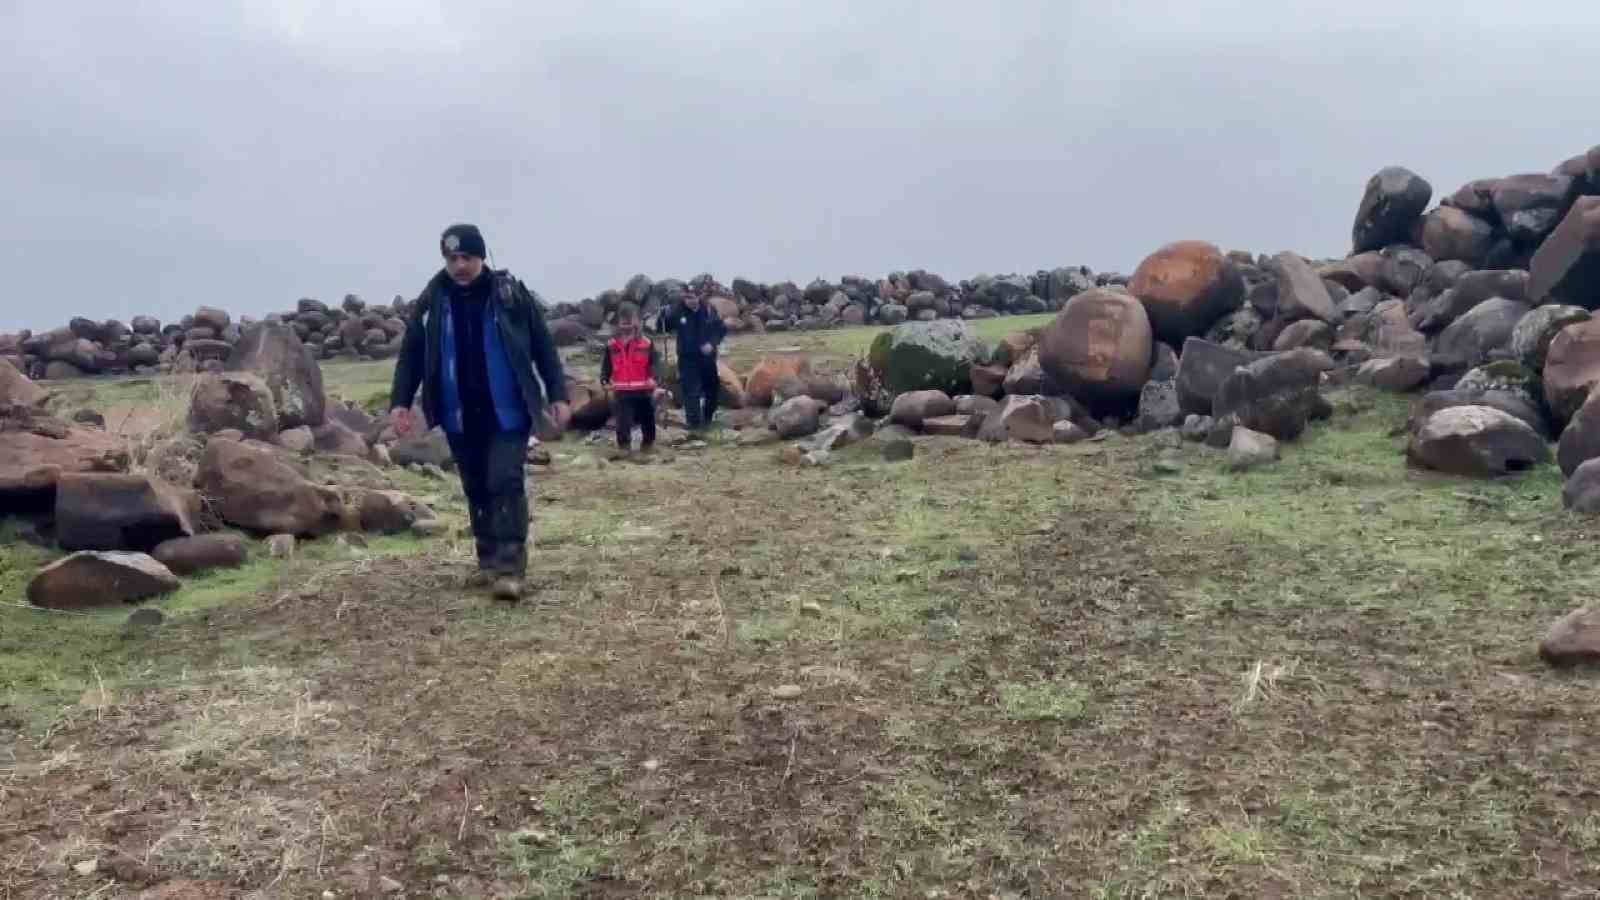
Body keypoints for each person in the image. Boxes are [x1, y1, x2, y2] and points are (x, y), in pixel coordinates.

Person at [389, 223, 571, 601]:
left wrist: (558, 394)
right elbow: (411, 355)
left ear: (481, 257)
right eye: (451, 258)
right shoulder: (432, 300)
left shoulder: (510, 295)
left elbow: (543, 346)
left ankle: (510, 568)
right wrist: (400, 402)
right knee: (475, 486)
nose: (459, 265)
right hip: (459, 414)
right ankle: (487, 559)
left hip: (507, 412)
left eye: (466, 257)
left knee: (504, 481)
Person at [657, 291, 727, 431]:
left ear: (699, 296)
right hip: (687, 359)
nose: (690, 301)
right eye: (687, 297)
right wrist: (662, 316)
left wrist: (712, 344)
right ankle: (694, 426)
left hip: (707, 359)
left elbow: (720, 330)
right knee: (691, 392)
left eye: (692, 297)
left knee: (712, 391)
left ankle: (707, 419)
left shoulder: (708, 309)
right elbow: (663, 327)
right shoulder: (678, 311)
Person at [600, 302, 661, 454]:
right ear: (618, 323)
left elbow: (655, 364)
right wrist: (604, 380)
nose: (627, 326)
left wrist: (655, 378)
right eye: (623, 322)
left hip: (644, 390)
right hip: (621, 391)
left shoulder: (647, 343)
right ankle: (624, 449)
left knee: (648, 420)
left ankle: (648, 446)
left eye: (630, 322)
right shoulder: (612, 345)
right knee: (623, 423)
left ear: (637, 322)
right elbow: (606, 366)